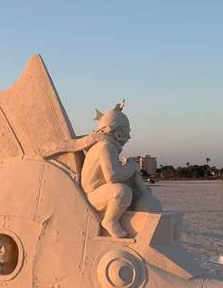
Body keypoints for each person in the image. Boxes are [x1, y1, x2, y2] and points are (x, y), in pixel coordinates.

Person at [41, 101, 160, 237]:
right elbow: (112, 176)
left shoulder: (107, 145)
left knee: (133, 191)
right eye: (126, 132)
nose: (128, 137)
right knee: (122, 191)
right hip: (93, 195)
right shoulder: (106, 146)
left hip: (100, 191)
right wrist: (131, 167)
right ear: (116, 131)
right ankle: (110, 221)